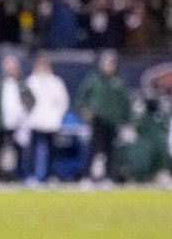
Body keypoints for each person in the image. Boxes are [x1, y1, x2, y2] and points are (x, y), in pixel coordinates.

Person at [75, 51, 133, 185]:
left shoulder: (118, 82)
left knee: (111, 151)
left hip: (112, 120)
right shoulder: (93, 80)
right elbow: (81, 98)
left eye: (111, 63)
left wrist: (127, 121)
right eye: (106, 63)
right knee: (92, 150)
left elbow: (126, 103)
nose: (109, 66)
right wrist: (84, 110)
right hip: (97, 120)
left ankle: (109, 178)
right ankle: (86, 177)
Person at [22, 55, 68, 185]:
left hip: (51, 122)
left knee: (52, 151)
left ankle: (49, 175)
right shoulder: (30, 82)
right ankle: (31, 176)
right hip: (35, 122)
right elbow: (26, 101)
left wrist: (57, 117)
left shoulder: (56, 82)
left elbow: (63, 101)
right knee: (32, 151)